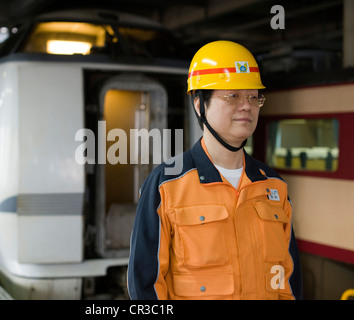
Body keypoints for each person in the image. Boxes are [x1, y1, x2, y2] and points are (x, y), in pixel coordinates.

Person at [127, 40, 303, 300]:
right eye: (233, 95)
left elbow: (290, 281)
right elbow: (145, 286)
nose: (246, 105)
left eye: (253, 97)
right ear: (199, 104)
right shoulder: (166, 185)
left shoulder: (275, 186)